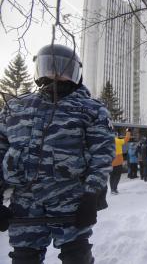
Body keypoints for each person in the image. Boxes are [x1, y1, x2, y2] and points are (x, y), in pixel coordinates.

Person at [0, 44, 115, 263]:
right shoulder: (16, 107)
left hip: (70, 201)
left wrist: (92, 195)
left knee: (77, 256)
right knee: (24, 258)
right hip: (25, 203)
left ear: (75, 73)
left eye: (63, 69)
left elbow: (102, 155)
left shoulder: (91, 109)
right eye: (50, 67)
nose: (56, 74)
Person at [110, 130, 131, 194]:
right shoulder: (117, 140)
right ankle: (114, 189)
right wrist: (128, 132)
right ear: (116, 135)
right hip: (118, 162)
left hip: (111, 162)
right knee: (117, 176)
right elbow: (126, 139)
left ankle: (112, 189)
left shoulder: (108, 141)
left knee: (112, 176)